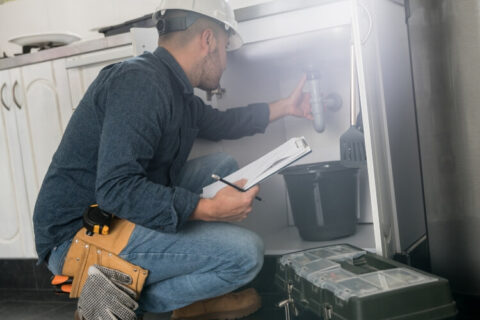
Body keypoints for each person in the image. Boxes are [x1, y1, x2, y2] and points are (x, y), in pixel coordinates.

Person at [33, 1, 312, 319]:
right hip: (79, 235)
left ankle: (186, 301)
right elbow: (115, 189)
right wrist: (208, 209)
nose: (224, 63)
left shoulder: (172, 88)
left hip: (116, 213)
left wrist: (286, 106)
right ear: (207, 40)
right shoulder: (140, 84)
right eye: (224, 49)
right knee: (245, 254)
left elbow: (224, 123)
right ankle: (107, 302)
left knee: (221, 167)